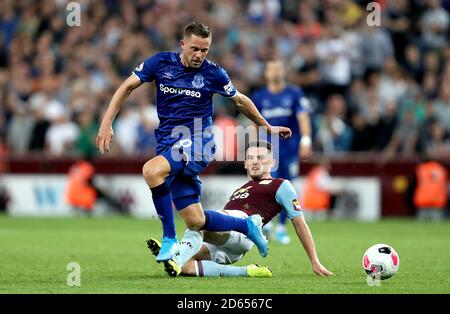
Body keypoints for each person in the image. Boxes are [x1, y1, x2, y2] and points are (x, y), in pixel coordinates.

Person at [96, 22, 291, 263]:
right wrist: (106, 122)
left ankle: (169, 239)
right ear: (183, 44)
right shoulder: (160, 63)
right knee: (195, 220)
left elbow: (240, 101)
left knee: (151, 170)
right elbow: (127, 87)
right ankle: (246, 225)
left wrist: (267, 127)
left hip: (200, 141)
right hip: (169, 143)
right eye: (195, 49)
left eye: (205, 50)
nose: (199, 55)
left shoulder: (213, 73)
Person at [147, 141, 333, 278]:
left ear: (272, 163)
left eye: (260, 158)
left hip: (244, 232)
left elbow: (299, 223)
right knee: (188, 266)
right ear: (244, 163)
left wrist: (314, 260)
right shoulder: (241, 189)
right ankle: (247, 271)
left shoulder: (281, 185)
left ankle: (175, 252)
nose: (254, 162)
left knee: (198, 221)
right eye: (250, 158)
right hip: (231, 244)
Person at [251, 58, 312, 244]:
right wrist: (255, 147)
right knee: (268, 185)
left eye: (278, 69)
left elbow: (303, 118)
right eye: (271, 69)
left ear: (283, 72)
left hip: (290, 150)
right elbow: (255, 123)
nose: (275, 72)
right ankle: (266, 222)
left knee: (288, 188)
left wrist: (306, 140)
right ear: (266, 73)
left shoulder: (294, 93)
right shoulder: (260, 97)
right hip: (270, 152)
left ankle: (281, 228)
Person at [413, 155, 448, 221]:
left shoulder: (422, 168)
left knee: (422, 221)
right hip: (438, 198)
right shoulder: (441, 169)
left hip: (423, 197)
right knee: (437, 221)